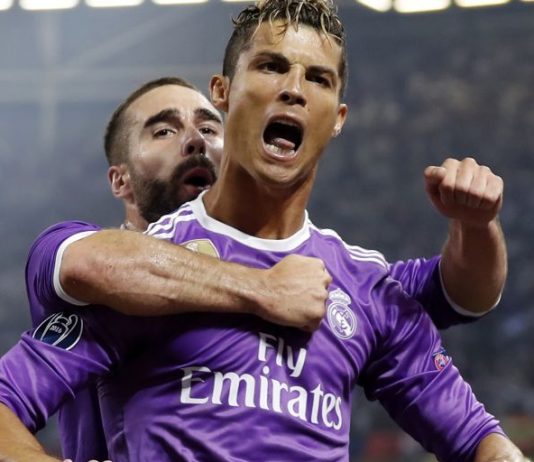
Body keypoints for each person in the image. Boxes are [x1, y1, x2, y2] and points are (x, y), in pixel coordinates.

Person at [0, 1, 524, 460]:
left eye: (317, 78)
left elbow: (479, 431)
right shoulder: (142, 276)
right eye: (271, 67)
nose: (293, 90)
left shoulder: (363, 286)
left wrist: (476, 224)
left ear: (338, 118)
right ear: (224, 92)